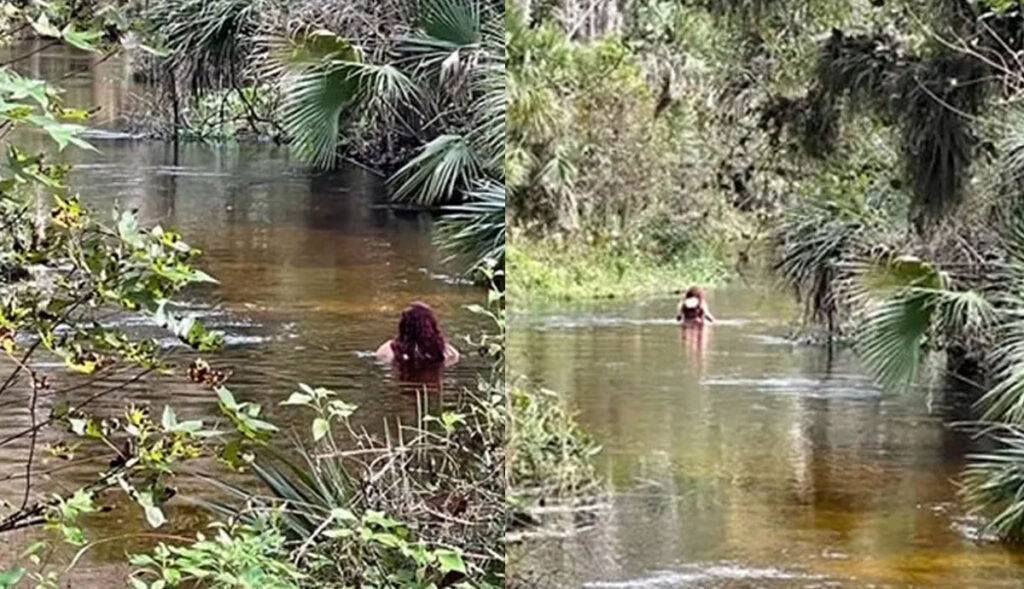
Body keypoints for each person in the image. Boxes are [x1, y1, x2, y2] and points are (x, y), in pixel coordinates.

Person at [376, 302, 460, 368]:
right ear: (432, 325)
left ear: (403, 325)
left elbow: (382, 360)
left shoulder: (388, 350)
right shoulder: (447, 352)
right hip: (430, 386)